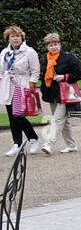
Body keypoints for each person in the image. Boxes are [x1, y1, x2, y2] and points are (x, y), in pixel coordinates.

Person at [38, 32, 81, 154]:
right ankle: (71, 145)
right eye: (51, 45)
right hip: (52, 94)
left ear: (60, 44)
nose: (54, 47)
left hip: (65, 94)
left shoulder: (69, 58)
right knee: (64, 121)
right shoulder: (46, 59)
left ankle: (49, 144)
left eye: (56, 44)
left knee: (57, 120)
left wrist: (64, 77)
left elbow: (79, 74)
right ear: (47, 47)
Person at [1, 26, 41, 156]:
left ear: (22, 38)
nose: (15, 39)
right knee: (12, 116)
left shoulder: (29, 52)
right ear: (8, 38)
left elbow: (35, 71)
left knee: (18, 115)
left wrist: (31, 87)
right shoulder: (4, 52)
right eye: (12, 36)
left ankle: (33, 139)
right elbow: (2, 70)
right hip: (8, 85)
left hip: (23, 84)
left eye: (18, 36)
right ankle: (17, 144)